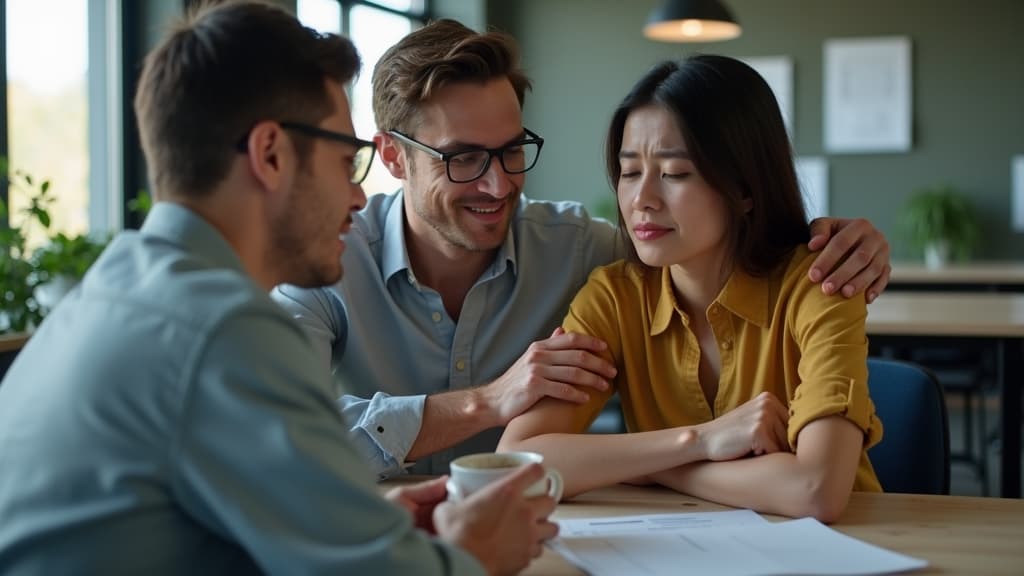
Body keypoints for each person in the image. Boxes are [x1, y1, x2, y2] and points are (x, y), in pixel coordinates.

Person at [0, 2, 556, 574]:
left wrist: (361, 529)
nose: (358, 197)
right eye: (346, 162)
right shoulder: (223, 329)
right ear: (270, 156)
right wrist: (468, 554)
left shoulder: (113, 296)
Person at [272, 19, 893, 478]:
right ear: (392, 157)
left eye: (511, 151)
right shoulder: (322, 261)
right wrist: (487, 401)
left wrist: (843, 241)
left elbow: (708, 241)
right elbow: (280, 434)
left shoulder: (584, 253)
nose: (499, 185)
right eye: (463, 159)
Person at [498, 55, 883, 522]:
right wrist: (698, 442)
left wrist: (658, 467)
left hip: (844, 546)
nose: (642, 200)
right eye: (629, 172)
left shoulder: (821, 283)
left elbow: (815, 490)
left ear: (745, 188)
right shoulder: (614, 297)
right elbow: (517, 463)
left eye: (675, 173)